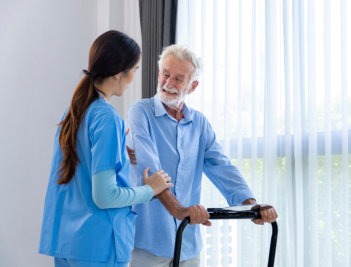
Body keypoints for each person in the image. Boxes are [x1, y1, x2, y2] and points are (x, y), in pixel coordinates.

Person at [126, 44, 278, 267]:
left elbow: (221, 166)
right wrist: (179, 210)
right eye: (166, 74)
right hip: (148, 242)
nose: (169, 83)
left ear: (193, 85)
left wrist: (250, 205)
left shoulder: (199, 123)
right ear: (159, 74)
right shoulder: (141, 112)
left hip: (188, 242)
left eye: (178, 78)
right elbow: (149, 170)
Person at [38, 30, 173, 267]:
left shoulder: (74, 112)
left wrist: (119, 151)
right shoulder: (106, 117)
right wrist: (148, 190)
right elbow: (104, 196)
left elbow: (80, 175)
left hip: (68, 245)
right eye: (135, 69)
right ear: (121, 73)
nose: (133, 77)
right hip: (99, 248)